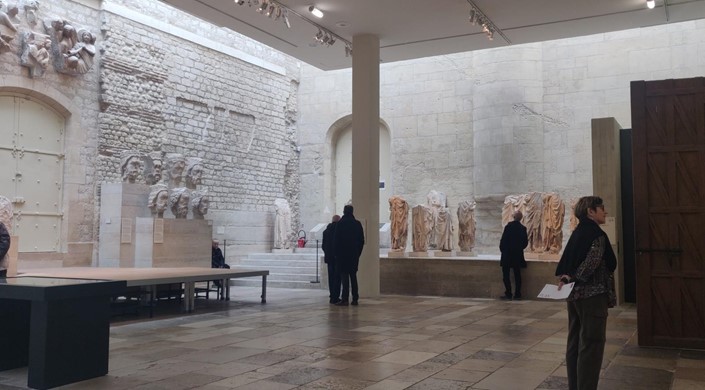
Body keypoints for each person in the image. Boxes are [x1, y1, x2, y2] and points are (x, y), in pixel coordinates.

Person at [556, 196, 616, 390]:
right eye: (601, 208)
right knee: (592, 343)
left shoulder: (577, 233)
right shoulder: (596, 234)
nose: (605, 212)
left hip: (573, 296)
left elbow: (569, 262)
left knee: (575, 341)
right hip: (592, 296)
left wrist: (568, 278)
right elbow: (591, 263)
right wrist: (575, 278)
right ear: (590, 211)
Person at [333, 205, 364, 306]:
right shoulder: (357, 224)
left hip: (342, 255)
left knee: (344, 277)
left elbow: (336, 241)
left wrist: (337, 254)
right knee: (353, 276)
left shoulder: (340, 224)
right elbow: (361, 241)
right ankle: (355, 298)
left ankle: (345, 299)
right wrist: (357, 253)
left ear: (344, 211)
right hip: (353, 254)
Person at [499, 210, 528, 300]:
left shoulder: (509, 226)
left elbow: (503, 240)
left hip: (507, 254)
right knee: (517, 275)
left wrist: (503, 250)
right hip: (517, 255)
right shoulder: (523, 228)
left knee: (506, 275)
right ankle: (517, 294)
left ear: (514, 217)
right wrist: (519, 249)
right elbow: (525, 243)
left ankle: (508, 293)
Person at [322, 215, 341, 304]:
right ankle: (335, 296)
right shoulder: (339, 230)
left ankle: (332, 294)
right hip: (337, 257)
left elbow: (323, 246)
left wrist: (327, 253)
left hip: (329, 257)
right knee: (337, 277)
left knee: (331, 277)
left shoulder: (326, 231)